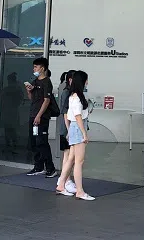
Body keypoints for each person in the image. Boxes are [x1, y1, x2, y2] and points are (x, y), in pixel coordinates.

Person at [56, 70, 94, 200]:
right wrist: (84, 134)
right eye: (86, 80)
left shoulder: (73, 96)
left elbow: (72, 115)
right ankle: (80, 191)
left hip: (74, 127)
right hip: (78, 128)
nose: (87, 82)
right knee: (79, 161)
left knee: (71, 158)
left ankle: (61, 184)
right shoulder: (77, 97)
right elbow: (78, 117)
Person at [25, 57, 56, 177]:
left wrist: (39, 116)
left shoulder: (46, 82)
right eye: (34, 67)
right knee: (34, 142)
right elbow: (32, 98)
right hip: (33, 114)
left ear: (42, 68)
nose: (34, 69)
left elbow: (46, 100)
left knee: (42, 142)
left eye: (36, 67)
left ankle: (50, 168)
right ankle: (38, 166)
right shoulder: (34, 81)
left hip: (42, 117)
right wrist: (29, 91)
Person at [56, 70, 77, 195]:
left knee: (69, 155)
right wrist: (69, 130)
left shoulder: (71, 92)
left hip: (69, 128)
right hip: (67, 129)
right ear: (70, 80)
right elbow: (65, 113)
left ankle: (64, 180)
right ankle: (66, 180)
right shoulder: (66, 92)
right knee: (68, 155)